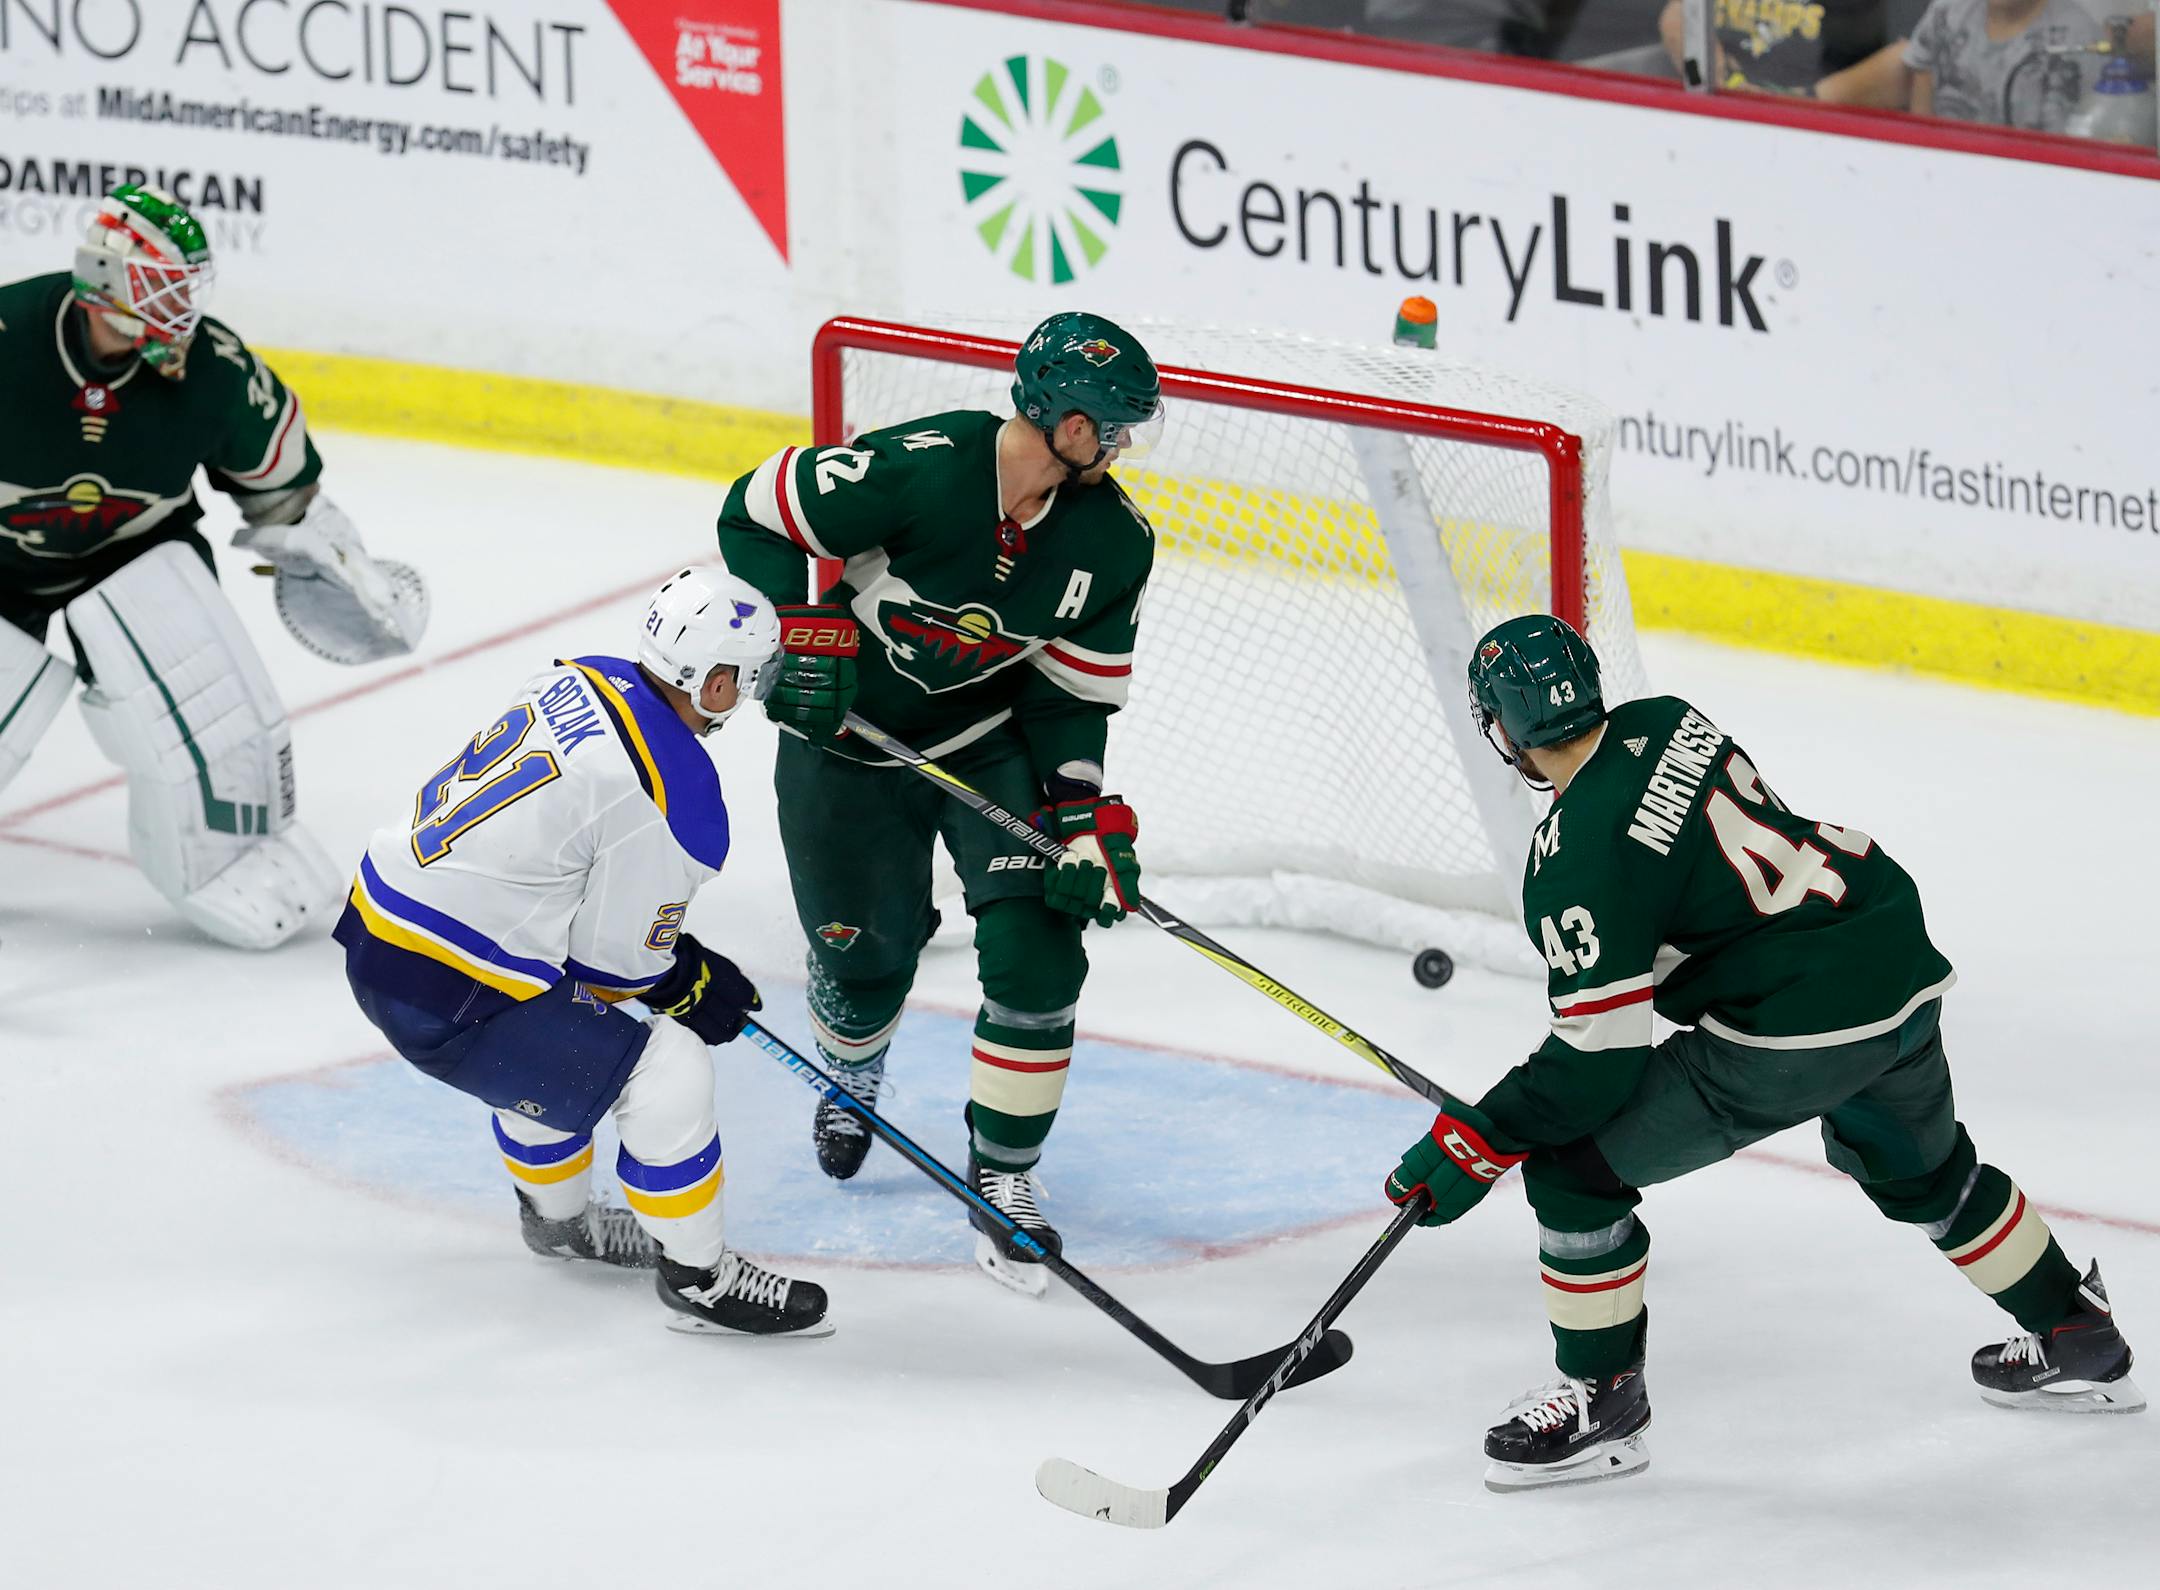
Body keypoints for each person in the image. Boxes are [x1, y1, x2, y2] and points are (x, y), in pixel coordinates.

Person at [1385, 615, 2142, 1493]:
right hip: (1889, 955)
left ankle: (1601, 1405)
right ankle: (2076, 1331)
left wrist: (1478, 1139)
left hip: (1794, 1028)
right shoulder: (1666, 718)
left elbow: (1601, 1063)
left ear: (1504, 729)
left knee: (1571, 1168)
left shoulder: (1573, 864)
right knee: (1922, 1170)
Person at [713, 311, 1161, 1296]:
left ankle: (1003, 1173)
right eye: (1110, 426)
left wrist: (1079, 819)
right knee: (861, 960)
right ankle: (851, 1064)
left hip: (983, 746)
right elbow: (752, 512)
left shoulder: (1114, 541)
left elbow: (1069, 698)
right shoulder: (924, 465)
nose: (1122, 445)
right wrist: (796, 635)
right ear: (1059, 417)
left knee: (1042, 949)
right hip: (842, 746)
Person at [334, 567, 831, 1338]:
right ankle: (700, 1279)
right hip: (452, 987)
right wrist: (684, 981)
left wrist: (669, 960)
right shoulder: (678, 791)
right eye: (753, 676)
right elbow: (615, 970)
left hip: (376, 928)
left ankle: (559, 1223)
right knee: (663, 1064)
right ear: (716, 681)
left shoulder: (578, 677)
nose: (756, 693)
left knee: (560, 1028)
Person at [0, 183, 425, 948]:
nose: (180, 307)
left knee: (206, 698)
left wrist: (334, 557)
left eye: (185, 287)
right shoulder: (7, 335)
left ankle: (228, 852)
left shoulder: (214, 369)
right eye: (162, 286)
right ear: (103, 277)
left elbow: (284, 489)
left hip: (134, 555)